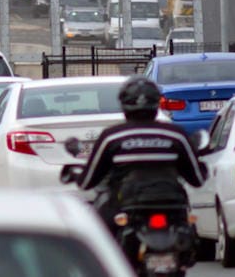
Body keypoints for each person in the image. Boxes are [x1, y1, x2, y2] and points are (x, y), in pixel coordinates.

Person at [78, 76, 204, 231]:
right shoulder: (175, 135)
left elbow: (88, 180)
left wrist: (79, 176)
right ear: (157, 103)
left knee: (101, 229)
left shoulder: (112, 136)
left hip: (127, 205)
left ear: (124, 104)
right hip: (172, 204)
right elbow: (197, 179)